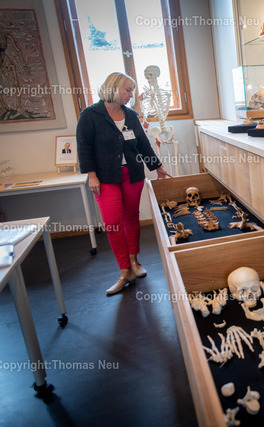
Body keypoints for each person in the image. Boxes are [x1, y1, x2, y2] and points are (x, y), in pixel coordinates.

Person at [76, 72, 171, 295]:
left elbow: (143, 145)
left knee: (131, 218)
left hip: (132, 174)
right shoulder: (90, 115)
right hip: (105, 177)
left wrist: (157, 166)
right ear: (113, 88)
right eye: (128, 90)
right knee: (112, 223)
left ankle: (134, 261)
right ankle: (125, 270)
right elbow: (84, 147)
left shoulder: (131, 115)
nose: (131, 95)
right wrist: (91, 175)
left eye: (132, 90)